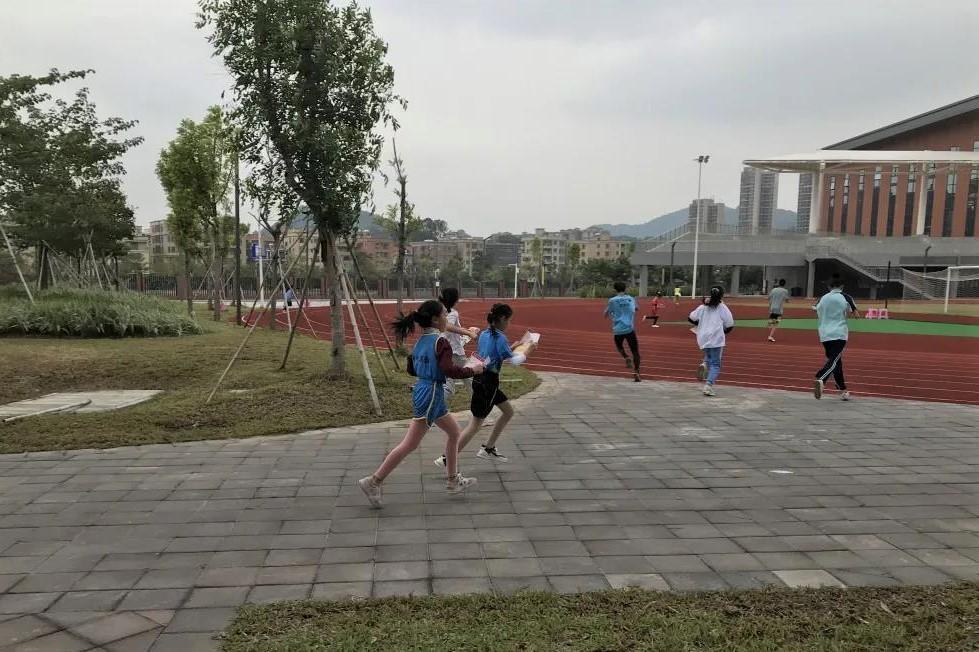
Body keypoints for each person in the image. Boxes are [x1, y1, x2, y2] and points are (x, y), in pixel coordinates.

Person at [359, 300, 483, 507]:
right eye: (444, 315)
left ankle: (453, 480)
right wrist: (473, 370)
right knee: (410, 444)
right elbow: (449, 370)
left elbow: (411, 369)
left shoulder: (421, 341)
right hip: (432, 394)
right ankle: (374, 481)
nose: (447, 318)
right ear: (435, 319)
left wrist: (427, 371)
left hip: (425, 390)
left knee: (454, 433)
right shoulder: (440, 342)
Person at [436, 303, 532, 466]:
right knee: (475, 424)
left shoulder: (485, 334)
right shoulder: (500, 337)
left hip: (480, 379)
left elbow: (493, 356)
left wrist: (513, 347)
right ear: (502, 319)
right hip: (488, 383)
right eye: (509, 320)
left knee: (508, 412)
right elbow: (514, 361)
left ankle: (488, 448)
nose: (509, 324)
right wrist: (529, 349)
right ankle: (446, 458)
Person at [813, 275, 856, 401]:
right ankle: (821, 378)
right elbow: (854, 312)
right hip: (839, 333)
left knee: (837, 362)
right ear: (842, 286)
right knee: (833, 362)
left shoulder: (823, 298)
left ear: (828, 286)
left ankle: (843, 390)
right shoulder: (845, 297)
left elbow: (816, 309)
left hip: (824, 334)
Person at [689, 286, 734, 397]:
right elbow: (729, 324)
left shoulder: (703, 306)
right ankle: (708, 386)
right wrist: (724, 332)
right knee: (716, 364)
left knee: (708, 353)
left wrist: (701, 324)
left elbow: (691, 318)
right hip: (716, 338)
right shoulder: (722, 307)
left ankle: (704, 363)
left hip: (702, 337)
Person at [439, 288, 480, 397]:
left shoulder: (440, 310)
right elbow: (447, 327)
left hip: (443, 351)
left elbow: (450, 328)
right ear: (454, 299)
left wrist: (468, 331)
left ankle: (435, 402)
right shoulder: (452, 312)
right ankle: (479, 404)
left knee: (449, 384)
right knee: (469, 378)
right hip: (455, 353)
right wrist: (469, 333)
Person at [605, 281, 641, 382]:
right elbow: (636, 309)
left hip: (618, 330)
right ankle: (637, 372)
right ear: (625, 289)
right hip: (629, 329)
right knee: (635, 352)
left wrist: (612, 314)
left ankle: (625, 356)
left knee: (619, 346)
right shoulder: (631, 299)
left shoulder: (612, 300)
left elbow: (607, 313)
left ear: (615, 289)